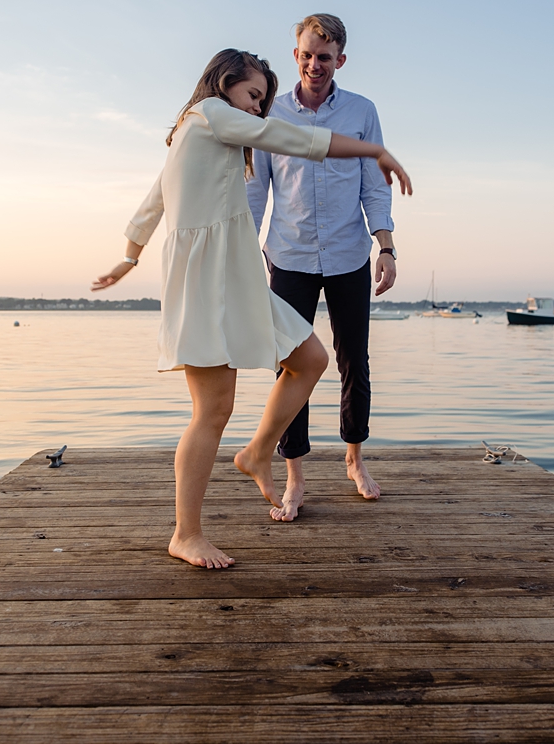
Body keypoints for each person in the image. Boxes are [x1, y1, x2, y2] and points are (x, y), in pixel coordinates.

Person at [92, 49, 411, 569]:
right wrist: (373, 149)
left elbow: (152, 203)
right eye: (254, 96)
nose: (259, 110)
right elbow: (292, 139)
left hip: (235, 276)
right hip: (207, 284)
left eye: (263, 101)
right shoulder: (211, 115)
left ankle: (257, 452)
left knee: (310, 359)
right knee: (213, 411)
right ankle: (186, 533)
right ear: (223, 84)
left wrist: (129, 257)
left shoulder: (201, 131)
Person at [248, 14, 412, 522]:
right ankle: (295, 476)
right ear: (294, 55)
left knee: (353, 362)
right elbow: (256, 191)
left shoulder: (362, 111)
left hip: (346, 256)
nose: (315, 64)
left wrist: (386, 247)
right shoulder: (269, 114)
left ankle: (354, 460)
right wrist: (243, 257)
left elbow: (374, 186)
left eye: (325, 56)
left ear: (340, 59)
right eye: (306, 54)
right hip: (289, 257)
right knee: (290, 367)